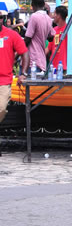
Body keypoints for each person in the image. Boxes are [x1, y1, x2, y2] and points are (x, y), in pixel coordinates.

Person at [0, 8, 29, 151]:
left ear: (3, 19)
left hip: (4, 80)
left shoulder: (11, 35)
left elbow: (24, 53)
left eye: (0, 17)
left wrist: (22, 73)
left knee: (1, 109)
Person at [24, 0, 53, 73]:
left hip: (32, 60)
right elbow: (51, 37)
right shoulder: (48, 18)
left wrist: (17, 54)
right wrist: (42, 34)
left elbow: (27, 39)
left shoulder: (34, 17)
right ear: (44, 4)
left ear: (32, 4)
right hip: (42, 61)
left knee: (26, 84)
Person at [46, 5, 69, 70]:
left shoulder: (68, 30)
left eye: (55, 13)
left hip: (64, 67)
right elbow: (48, 48)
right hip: (53, 67)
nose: (53, 16)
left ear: (59, 16)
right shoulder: (54, 30)